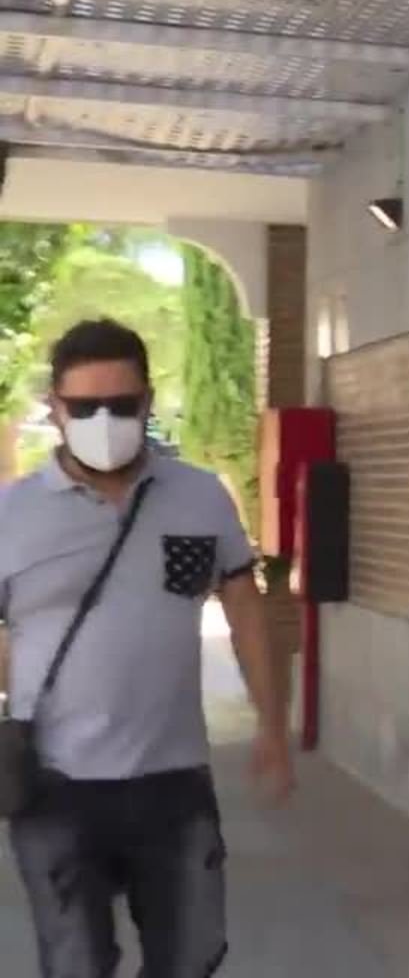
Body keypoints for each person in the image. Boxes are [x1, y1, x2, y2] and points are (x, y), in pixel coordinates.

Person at [0, 319, 293, 978]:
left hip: (173, 783)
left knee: (191, 956)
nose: (103, 421)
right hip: (54, 788)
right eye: (84, 408)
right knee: (76, 964)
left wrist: (274, 725)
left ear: (148, 401)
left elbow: (245, 611)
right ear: (55, 408)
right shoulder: (11, 515)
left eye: (120, 404)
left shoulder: (199, 497)